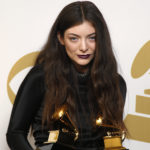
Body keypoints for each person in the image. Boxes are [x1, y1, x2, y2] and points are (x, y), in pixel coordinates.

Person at [6, 1, 127, 150]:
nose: (84, 47)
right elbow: (15, 134)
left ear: (101, 39)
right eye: (74, 38)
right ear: (61, 38)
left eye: (92, 38)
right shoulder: (41, 77)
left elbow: (112, 142)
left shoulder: (116, 83)